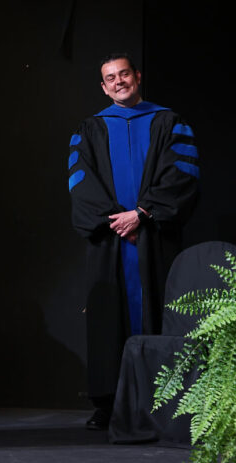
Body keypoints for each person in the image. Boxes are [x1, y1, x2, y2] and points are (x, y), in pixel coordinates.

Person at [67, 52, 199, 430]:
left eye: (124, 74)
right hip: (110, 241)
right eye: (110, 78)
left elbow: (183, 174)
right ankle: (107, 404)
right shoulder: (88, 129)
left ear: (137, 76)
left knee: (159, 310)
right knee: (108, 318)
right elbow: (80, 181)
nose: (118, 81)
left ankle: (164, 401)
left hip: (154, 238)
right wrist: (117, 219)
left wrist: (143, 214)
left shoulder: (170, 122)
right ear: (104, 86)